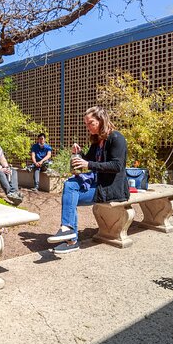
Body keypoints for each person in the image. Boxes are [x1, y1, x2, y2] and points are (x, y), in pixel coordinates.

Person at [47, 106, 129, 254]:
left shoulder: (116, 138)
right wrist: (79, 154)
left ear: (101, 120)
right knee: (70, 186)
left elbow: (117, 165)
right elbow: (89, 160)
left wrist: (88, 164)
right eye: (86, 124)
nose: (87, 127)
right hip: (99, 185)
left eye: (90, 123)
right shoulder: (97, 141)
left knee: (71, 195)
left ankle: (70, 237)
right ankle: (69, 233)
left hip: (112, 188)